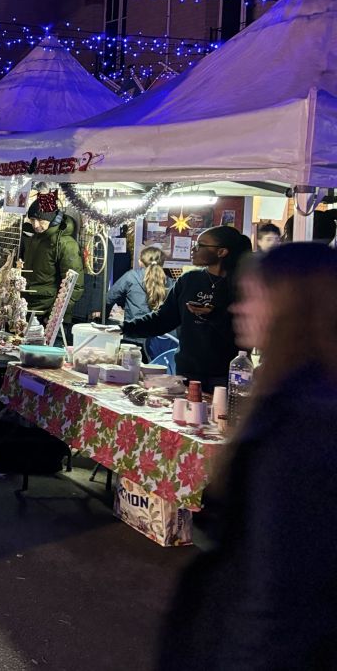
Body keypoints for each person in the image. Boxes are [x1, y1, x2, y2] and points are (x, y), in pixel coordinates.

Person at [158, 242, 337, 671]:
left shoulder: (306, 422)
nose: (239, 308)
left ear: (291, 306)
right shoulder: (294, 398)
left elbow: (281, 588)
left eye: (254, 295)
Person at [124, 226, 252, 392]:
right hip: (187, 373)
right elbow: (163, 319)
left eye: (200, 245)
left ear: (221, 252)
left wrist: (213, 316)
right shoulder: (189, 280)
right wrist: (124, 327)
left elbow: (250, 334)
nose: (193, 249)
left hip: (228, 376)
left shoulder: (244, 286)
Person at [20, 194, 85, 321]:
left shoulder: (66, 244)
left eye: (41, 220)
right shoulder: (33, 238)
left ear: (53, 219)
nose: (36, 225)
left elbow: (74, 286)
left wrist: (55, 315)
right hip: (28, 307)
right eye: (32, 220)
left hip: (48, 314)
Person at [104, 245, 170, 323]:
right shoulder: (171, 283)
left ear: (140, 262)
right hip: (163, 332)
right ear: (163, 263)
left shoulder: (131, 276)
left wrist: (104, 318)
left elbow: (109, 299)